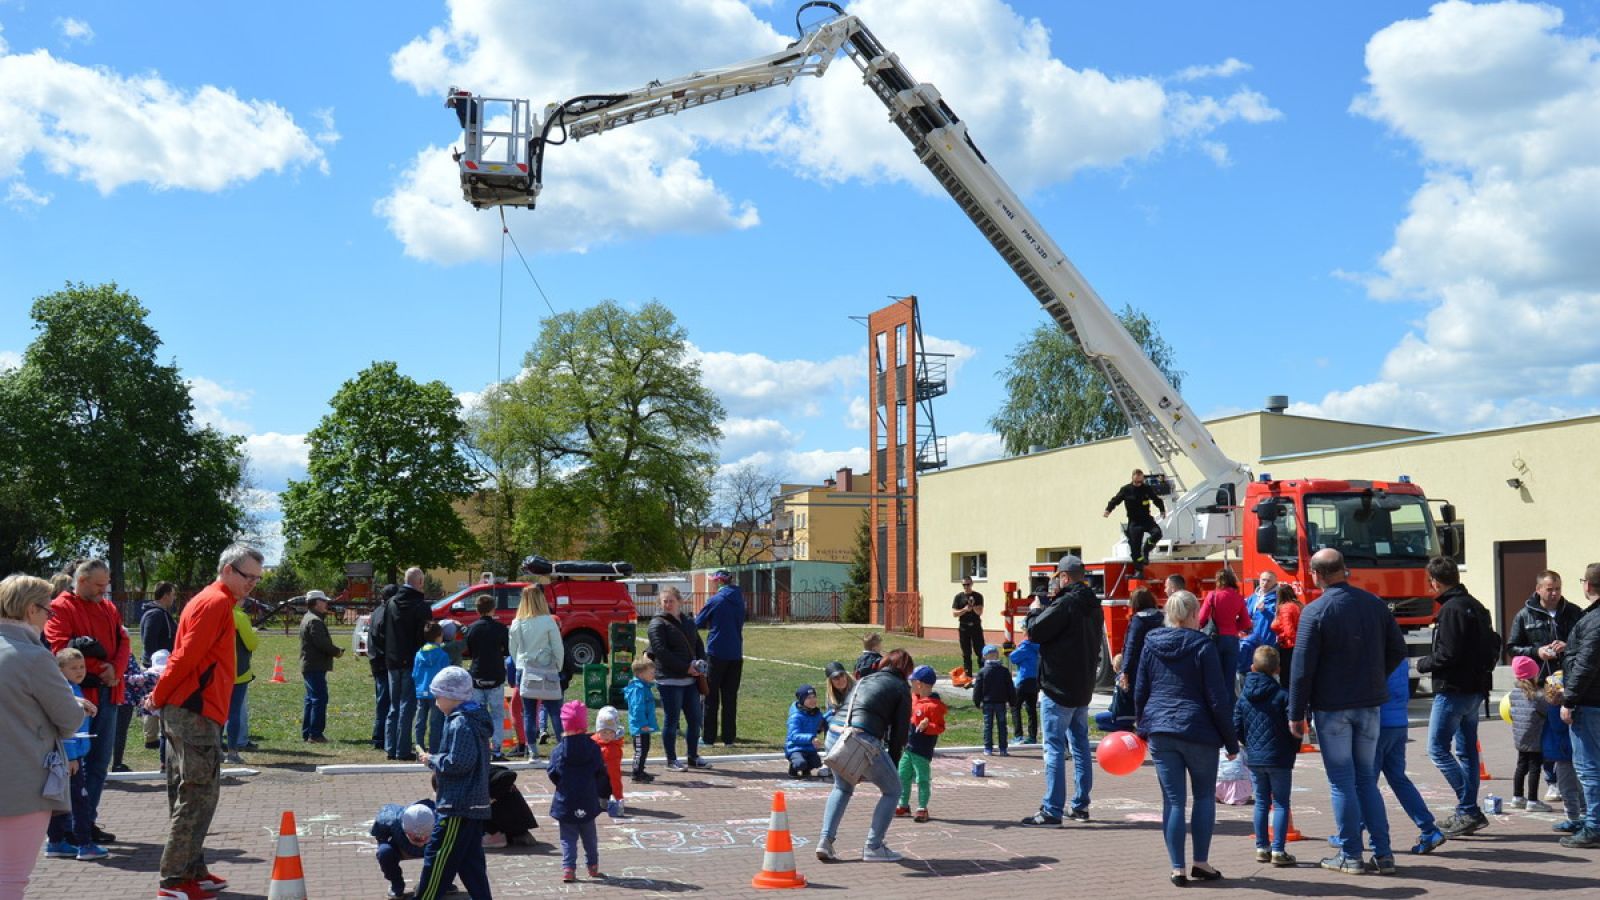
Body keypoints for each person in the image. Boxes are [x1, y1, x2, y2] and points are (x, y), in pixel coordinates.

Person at [1287, 548, 1406, 876]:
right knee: (1367, 779)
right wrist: (1375, 677)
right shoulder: (1374, 604)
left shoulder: (1315, 611)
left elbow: (1301, 668)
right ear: (1346, 570)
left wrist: (1296, 712)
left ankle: (1351, 854)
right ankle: (1383, 854)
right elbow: (1398, 649)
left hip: (1332, 706)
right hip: (1369, 704)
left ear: (1316, 574)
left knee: (1342, 781)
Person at [154, 544, 252, 900]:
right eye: (247, 576)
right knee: (198, 796)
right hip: (194, 711)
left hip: (194, 709)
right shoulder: (215, 603)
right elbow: (185, 657)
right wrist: (159, 695)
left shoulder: (213, 601)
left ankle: (192, 870)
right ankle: (174, 880)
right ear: (227, 570)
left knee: (191, 793)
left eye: (257, 578)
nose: (252, 584)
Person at [1134, 590, 1237, 885]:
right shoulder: (1203, 645)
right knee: (1204, 796)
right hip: (1199, 730)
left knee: (1174, 801)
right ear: (1194, 614)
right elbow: (1217, 698)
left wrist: (1142, 725)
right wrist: (1231, 742)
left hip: (1162, 731)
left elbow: (1141, 689)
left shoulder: (1151, 643)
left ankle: (1177, 867)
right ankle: (1201, 862)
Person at [0, 574, 94, 899]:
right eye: (48, 611)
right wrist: (75, 705)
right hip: (21, 785)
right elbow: (68, 720)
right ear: (30, 610)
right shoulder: (34, 656)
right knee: (10, 880)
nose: (50, 618)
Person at [44, 559, 130, 848]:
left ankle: (86, 822)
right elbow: (61, 650)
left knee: (99, 764)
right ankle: (66, 827)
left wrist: (114, 671)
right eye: (98, 585)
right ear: (80, 581)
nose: (103, 590)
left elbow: (124, 642)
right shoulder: (60, 607)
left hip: (109, 693)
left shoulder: (109, 608)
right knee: (74, 764)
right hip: (81, 699)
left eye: (106, 584)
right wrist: (96, 670)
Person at [1416, 556, 1498, 838]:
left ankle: (1469, 809)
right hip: (1475, 689)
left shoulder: (1451, 609)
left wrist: (1420, 664)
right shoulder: (1475, 605)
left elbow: (1447, 654)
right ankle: (1466, 812)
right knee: (1466, 752)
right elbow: (1493, 643)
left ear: (1435, 582)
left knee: (1437, 749)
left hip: (1454, 690)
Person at [1019, 556, 1101, 826]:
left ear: (1065, 577)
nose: (1055, 583)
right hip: (1083, 684)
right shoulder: (1094, 604)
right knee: (1079, 746)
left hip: (1059, 685)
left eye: (1057, 578)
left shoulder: (1066, 604)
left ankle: (1052, 809)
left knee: (1053, 746)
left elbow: (1035, 631)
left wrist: (1034, 610)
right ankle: (1080, 805)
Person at [815, 649, 913, 863]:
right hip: (862, 739)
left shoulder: (866, 679)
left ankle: (825, 841)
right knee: (893, 789)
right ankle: (874, 846)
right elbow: (899, 734)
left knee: (842, 787)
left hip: (834, 735)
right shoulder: (901, 687)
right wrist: (893, 765)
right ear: (906, 670)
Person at [414, 666, 493, 900]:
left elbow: (460, 762)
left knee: (437, 858)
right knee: (470, 865)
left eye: (438, 695)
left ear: (452, 696)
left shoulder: (461, 723)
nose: (436, 701)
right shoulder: (469, 719)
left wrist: (433, 760)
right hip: (471, 804)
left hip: (458, 805)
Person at [1234, 646, 1298, 867]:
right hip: (1280, 756)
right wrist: (1293, 747)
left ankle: (1262, 847)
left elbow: (1237, 725)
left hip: (1255, 757)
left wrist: (1248, 744)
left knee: (1261, 802)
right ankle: (1279, 850)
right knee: (1280, 802)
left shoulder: (1244, 697)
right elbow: (1295, 726)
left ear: (1252, 667)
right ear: (1278, 669)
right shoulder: (1283, 696)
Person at [1376, 657, 1446, 854]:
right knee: (1398, 778)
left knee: (1365, 785)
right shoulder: (1398, 655)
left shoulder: (1375, 651)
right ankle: (1428, 828)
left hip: (1379, 724)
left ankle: (1357, 834)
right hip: (1398, 722)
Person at [1558, 561, 1600, 848]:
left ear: (1587, 585)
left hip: (1589, 702)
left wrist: (1569, 699)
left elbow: (1586, 664)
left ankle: (1595, 826)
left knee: (1589, 768)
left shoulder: (1593, 620)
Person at [44, 648, 99, 861]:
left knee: (61, 800)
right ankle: (85, 844)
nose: (79, 671)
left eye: (82, 667)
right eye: (73, 668)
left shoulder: (73, 689)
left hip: (71, 756)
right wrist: (72, 757)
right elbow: (67, 728)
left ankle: (56, 842)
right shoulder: (67, 692)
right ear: (60, 670)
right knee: (79, 801)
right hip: (69, 757)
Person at [646, 586, 709, 771]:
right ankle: (671, 759)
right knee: (671, 721)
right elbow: (661, 652)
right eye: (664, 601)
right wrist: (685, 667)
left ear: (679, 602)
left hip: (691, 680)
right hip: (669, 680)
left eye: (670, 601)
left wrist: (700, 664)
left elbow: (698, 643)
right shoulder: (657, 624)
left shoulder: (688, 622)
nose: (667, 604)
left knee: (695, 719)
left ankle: (693, 756)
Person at [547, 700, 609, 883]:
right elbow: (600, 771)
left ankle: (568, 868)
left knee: (568, 838)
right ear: (583, 724)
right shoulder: (593, 748)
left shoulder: (559, 750)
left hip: (566, 801)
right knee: (589, 836)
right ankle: (593, 866)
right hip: (588, 799)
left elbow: (552, 773)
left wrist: (562, 785)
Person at [509, 586, 564, 762]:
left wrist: (520, 663)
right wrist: (558, 665)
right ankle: (564, 747)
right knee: (554, 710)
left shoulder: (517, 622)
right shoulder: (548, 621)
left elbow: (513, 649)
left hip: (525, 669)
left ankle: (532, 751)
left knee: (529, 712)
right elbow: (557, 646)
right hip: (547, 669)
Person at [384, 568, 433, 762]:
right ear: (420, 582)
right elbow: (425, 636)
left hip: (392, 660)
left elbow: (382, 630)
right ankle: (403, 749)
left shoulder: (391, 603)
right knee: (407, 705)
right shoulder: (421, 606)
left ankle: (391, 747)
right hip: (413, 661)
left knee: (394, 705)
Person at [696, 569, 746, 748]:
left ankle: (708, 738)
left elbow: (698, 622)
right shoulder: (740, 598)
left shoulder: (716, 600)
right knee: (730, 697)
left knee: (710, 697)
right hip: (735, 653)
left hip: (716, 653)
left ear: (718, 582)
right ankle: (729, 738)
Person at [1509, 570, 1582, 683]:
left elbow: (1588, 643)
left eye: (1557, 589)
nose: (1554, 593)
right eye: (1549, 589)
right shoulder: (1524, 615)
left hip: (1570, 679)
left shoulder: (1575, 612)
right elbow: (1512, 649)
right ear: (1538, 589)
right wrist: (1536, 652)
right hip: (1538, 680)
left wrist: (1568, 646)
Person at [464, 593, 511, 761]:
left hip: (477, 675)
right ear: (493, 609)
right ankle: (496, 749)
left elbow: (469, 650)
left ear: (477, 610)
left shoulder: (472, 628)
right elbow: (507, 650)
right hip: (496, 676)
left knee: (477, 713)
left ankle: (480, 747)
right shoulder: (500, 628)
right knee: (497, 714)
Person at [371, 800, 449, 900]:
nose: (420, 841)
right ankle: (397, 885)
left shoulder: (443, 820)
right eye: (416, 838)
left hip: (433, 849)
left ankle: (443, 883)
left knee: (454, 848)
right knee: (384, 852)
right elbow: (380, 837)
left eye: (424, 837)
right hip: (401, 846)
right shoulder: (388, 818)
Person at [897, 665, 946, 823]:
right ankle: (903, 805)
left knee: (922, 778)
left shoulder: (934, 706)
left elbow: (939, 728)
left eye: (913, 682)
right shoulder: (915, 699)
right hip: (909, 747)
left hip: (922, 750)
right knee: (902, 775)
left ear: (920, 684)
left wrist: (927, 726)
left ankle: (922, 808)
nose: (911, 685)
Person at [1542, 676, 1589, 835]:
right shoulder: (1574, 707)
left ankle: (1573, 819)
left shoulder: (1558, 710)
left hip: (1563, 754)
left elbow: (1557, 728)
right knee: (1579, 786)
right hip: (1571, 752)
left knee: (1567, 788)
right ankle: (1584, 816)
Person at [1507, 655, 1553, 811]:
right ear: (1534, 674)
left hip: (1520, 737)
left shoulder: (1513, 693)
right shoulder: (1538, 696)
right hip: (1536, 738)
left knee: (1521, 766)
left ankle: (1517, 797)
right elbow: (1548, 712)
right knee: (1534, 768)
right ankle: (1533, 800)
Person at [1198, 568, 1250, 706]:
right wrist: (1233, 627)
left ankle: (1214, 706)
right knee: (1229, 678)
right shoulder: (1238, 597)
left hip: (1215, 638)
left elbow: (1201, 619)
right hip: (1232, 639)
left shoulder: (1213, 596)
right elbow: (1246, 622)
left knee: (1214, 676)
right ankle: (1229, 710)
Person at [299, 589, 344, 744]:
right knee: (319, 698)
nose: (326, 603)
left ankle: (308, 733)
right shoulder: (315, 621)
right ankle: (315, 734)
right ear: (317, 602)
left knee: (311, 699)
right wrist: (337, 651)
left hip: (310, 664)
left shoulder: (308, 618)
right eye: (324, 601)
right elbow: (322, 643)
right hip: (315, 665)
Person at [1116, 587, 1163, 730]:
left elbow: (1131, 647)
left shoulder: (1138, 620)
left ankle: (1141, 731)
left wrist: (1125, 670)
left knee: (1140, 702)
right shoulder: (1161, 618)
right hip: (1158, 667)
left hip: (1139, 667)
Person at [139, 582, 178, 750]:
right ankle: (151, 737)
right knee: (152, 699)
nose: (174, 598)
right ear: (166, 595)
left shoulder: (162, 613)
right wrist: (156, 664)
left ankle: (155, 735)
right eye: (173, 594)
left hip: (162, 663)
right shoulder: (155, 614)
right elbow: (149, 640)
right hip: (155, 665)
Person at [1104, 468, 1166, 575]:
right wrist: (1108, 510)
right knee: (1134, 548)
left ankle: (1146, 548)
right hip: (1134, 522)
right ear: (1132, 479)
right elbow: (1116, 500)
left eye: (1140, 482)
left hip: (1146, 519)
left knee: (1157, 533)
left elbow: (1156, 499)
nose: (1138, 484)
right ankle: (1139, 570)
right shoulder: (1126, 489)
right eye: (1136, 482)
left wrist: (1162, 510)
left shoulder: (1146, 488)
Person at [225, 599, 259, 763]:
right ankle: (232, 752)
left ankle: (216, 749)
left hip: (218, 672)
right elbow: (252, 643)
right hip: (238, 672)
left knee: (217, 713)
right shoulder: (239, 616)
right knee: (234, 713)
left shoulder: (215, 613)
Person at [413, 622, 452, 754]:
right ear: (439, 636)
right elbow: (445, 675)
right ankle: (435, 750)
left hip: (421, 691)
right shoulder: (442, 655)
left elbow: (415, 674)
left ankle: (419, 749)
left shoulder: (419, 654)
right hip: (437, 693)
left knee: (420, 721)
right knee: (436, 723)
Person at [972, 643, 1015, 756]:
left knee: (988, 726)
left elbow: (977, 688)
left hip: (987, 702)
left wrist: (977, 701)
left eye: (993, 654)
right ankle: (1003, 748)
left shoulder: (983, 671)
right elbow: (1010, 687)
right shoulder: (1004, 671)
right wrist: (1012, 701)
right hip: (1000, 702)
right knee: (1002, 725)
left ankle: (988, 748)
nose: (992, 656)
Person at [368, 584, 395, 751]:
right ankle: (380, 737)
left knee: (382, 699)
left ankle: (379, 735)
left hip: (375, 660)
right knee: (384, 701)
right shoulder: (387, 613)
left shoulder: (377, 611)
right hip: (383, 661)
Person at [623, 658, 658, 783]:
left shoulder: (645, 687)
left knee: (645, 748)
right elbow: (638, 708)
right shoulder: (638, 689)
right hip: (639, 726)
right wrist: (643, 724)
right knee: (640, 750)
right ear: (640, 674)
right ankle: (636, 773)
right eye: (651, 672)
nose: (653, 674)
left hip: (644, 726)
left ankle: (640, 770)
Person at [1240, 572, 1279, 680]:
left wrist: (1265, 611)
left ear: (1275, 582)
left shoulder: (1277, 598)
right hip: (1251, 640)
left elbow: (1279, 619)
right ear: (1259, 580)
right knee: (1247, 670)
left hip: (1267, 640)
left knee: (1266, 673)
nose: (1265, 583)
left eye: (1269, 580)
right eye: (1263, 580)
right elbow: (1246, 614)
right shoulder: (1252, 597)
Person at [785, 685, 825, 778]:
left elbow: (821, 722)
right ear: (802, 700)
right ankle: (793, 769)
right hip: (795, 748)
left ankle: (806, 770)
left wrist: (832, 713)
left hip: (809, 748)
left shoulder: (816, 713)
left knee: (817, 763)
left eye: (814, 697)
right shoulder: (795, 716)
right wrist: (811, 738)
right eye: (808, 698)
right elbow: (793, 736)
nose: (812, 700)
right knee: (800, 763)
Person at [593, 707, 625, 816]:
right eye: (604, 732)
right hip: (594, 781)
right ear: (598, 731)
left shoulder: (614, 748)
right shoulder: (592, 744)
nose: (607, 736)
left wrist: (618, 797)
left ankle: (609, 800)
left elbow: (615, 776)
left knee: (609, 781)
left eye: (610, 732)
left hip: (608, 781)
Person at [1009, 637, 1040, 745]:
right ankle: (1032, 736)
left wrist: (1016, 648)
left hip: (1023, 680)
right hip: (1035, 680)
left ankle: (1018, 736)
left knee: (1015, 707)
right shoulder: (1038, 647)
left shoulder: (1025, 646)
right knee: (1031, 709)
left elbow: (1013, 658)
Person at [952, 576, 985, 678]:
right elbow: (954, 613)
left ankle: (983, 675)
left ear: (972, 584)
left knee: (980, 651)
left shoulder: (978, 596)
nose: (966, 587)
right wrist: (965, 609)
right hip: (964, 628)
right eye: (964, 585)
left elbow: (980, 612)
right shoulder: (958, 597)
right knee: (966, 653)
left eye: (968, 584)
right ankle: (968, 677)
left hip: (976, 626)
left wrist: (973, 607)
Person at [1271, 585, 1301, 691]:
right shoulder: (1298, 605)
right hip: (1297, 645)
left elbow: (1289, 632)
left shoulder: (1285, 608)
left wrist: (1281, 636)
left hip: (1288, 646)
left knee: (1286, 678)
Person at [821, 661, 854, 754]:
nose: (840, 679)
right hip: (839, 724)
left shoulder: (856, 688)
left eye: (842, 675)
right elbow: (831, 715)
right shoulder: (830, 695)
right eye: (836, 678)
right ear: (830, 681)